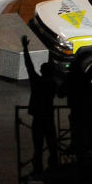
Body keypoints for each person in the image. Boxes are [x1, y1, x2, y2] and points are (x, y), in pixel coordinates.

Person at [22, 34, 59, 175]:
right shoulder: (52, 84)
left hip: (38, 117)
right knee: (52, 144)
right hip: (48, 116)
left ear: (42, 72)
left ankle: (37, 168)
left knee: (38, 146)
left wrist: (25, 48)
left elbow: (29, 65)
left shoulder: (37, 82)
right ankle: (54, 167)